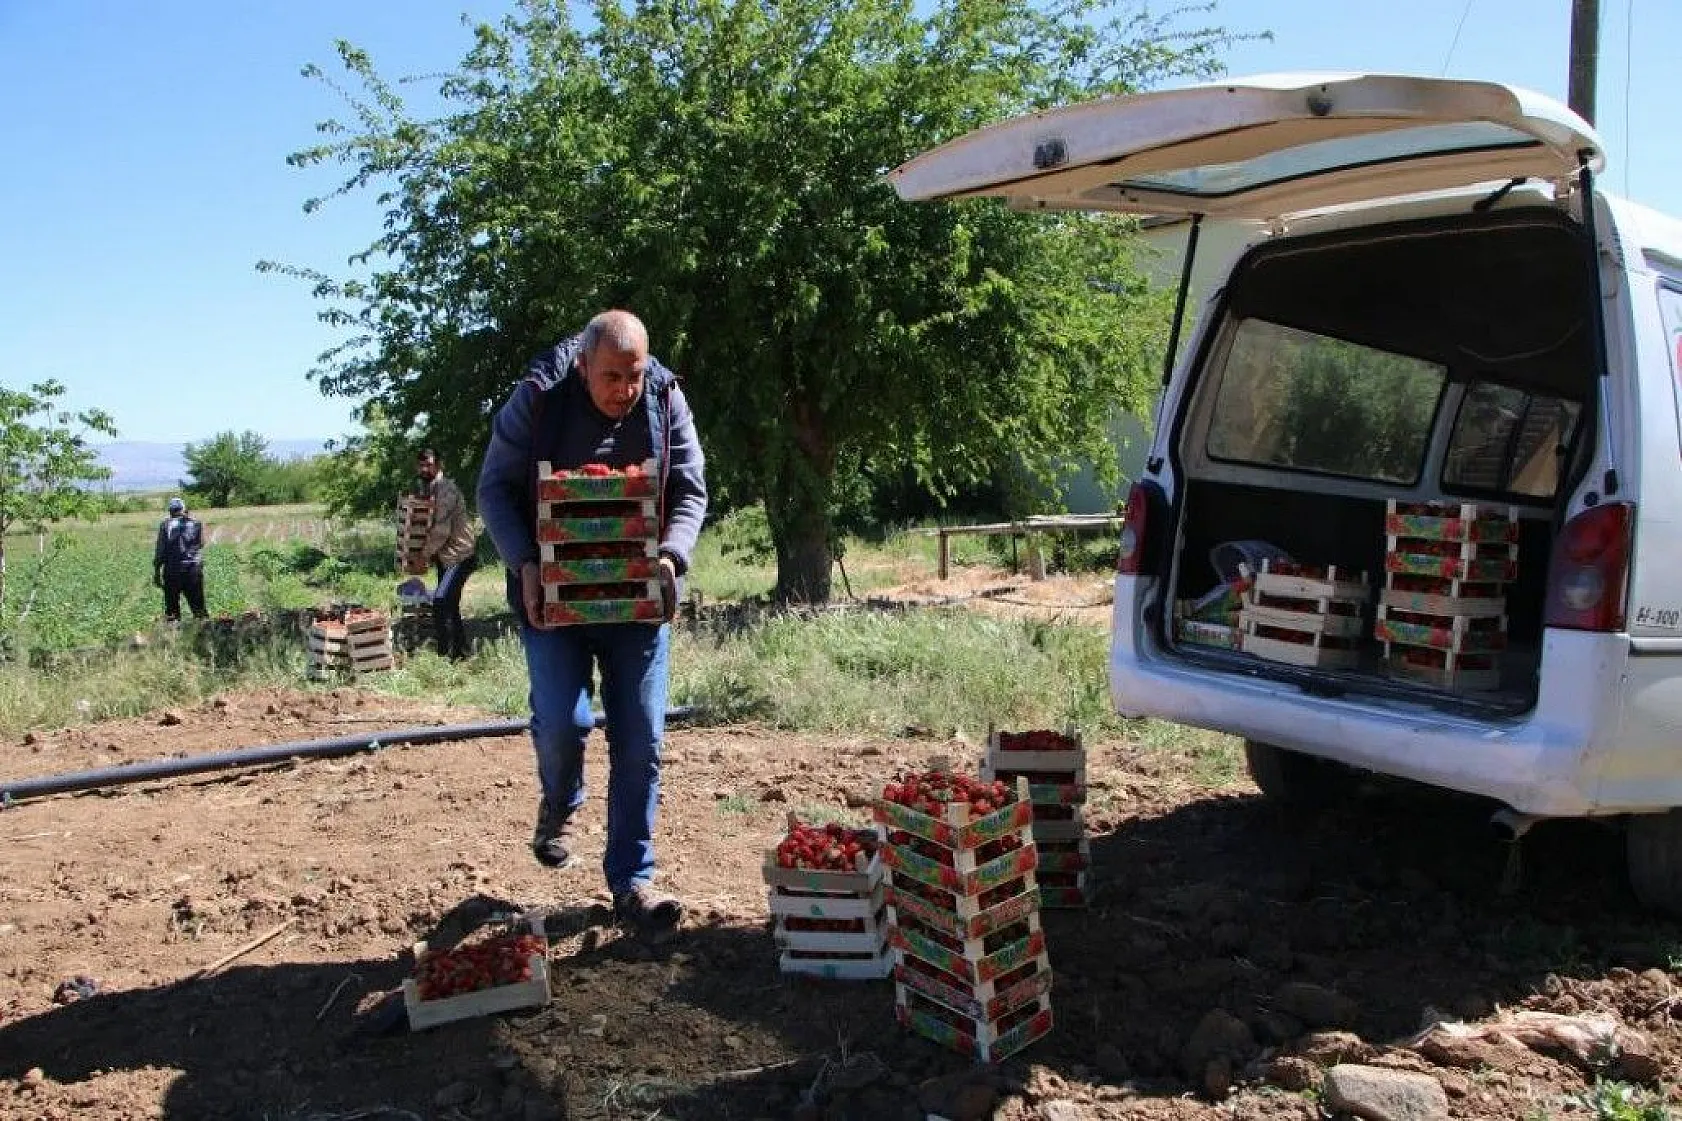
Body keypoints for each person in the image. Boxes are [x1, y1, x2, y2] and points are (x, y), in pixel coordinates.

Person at [477, 309, 707, 939]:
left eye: (633, 376)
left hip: (635, 604)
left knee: (641, 741)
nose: (625, 391)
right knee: (562, 721)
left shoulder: (665, 397)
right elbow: (493, 488)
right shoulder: (538, 398)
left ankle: (632, 881)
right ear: (583, 366)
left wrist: (671, 556)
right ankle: (559, 806)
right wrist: (524, 561)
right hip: (554, 600)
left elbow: (689, 489)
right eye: (612, 377)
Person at [412, 449, 480, 660]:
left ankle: (446, 655)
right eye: (421, 465)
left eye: (429, 465)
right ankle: (459, 652)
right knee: (449, 604)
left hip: (459, 557)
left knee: (442, 602)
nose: (425, 469)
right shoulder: (429, 489)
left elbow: (441, 530)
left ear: (439, 465)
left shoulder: (445, 490)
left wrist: (423, 556)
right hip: (446, 558)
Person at [152, 497, 208, 622]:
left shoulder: (165, 525)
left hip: (172, 571)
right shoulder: (196, 523)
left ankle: (173, 637)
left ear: (170, 511)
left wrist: (156, 572)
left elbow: (160, 550)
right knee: (198, 607)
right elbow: (201, 544)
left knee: (172, 610)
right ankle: (205, 634)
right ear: (184, 509)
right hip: (193, 569)